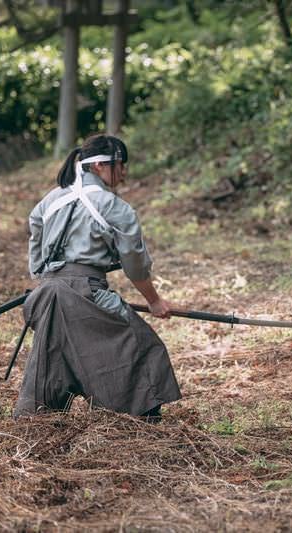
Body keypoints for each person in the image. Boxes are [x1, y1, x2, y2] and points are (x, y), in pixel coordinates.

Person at [14, 133, 181, 420]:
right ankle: (139, 421)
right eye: (121, 164)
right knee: (143, 347)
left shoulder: (50, 200)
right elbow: (135, 265)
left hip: (45, 295)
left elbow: (35, 236)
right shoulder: (114, 206)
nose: (125, 172)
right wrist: (154, 301)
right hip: (87, 295)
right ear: (101, 165)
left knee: (56, 356)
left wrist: (45, 279)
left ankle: (39, 421)